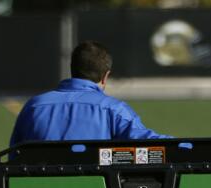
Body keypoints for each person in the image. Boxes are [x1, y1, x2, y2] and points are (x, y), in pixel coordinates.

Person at [10, 41, 171, 146]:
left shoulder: (34, 106)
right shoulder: (113, 109)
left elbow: (15, 157)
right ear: (106, 76)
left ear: (72, 69)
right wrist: (188, 145)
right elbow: (146, 141)